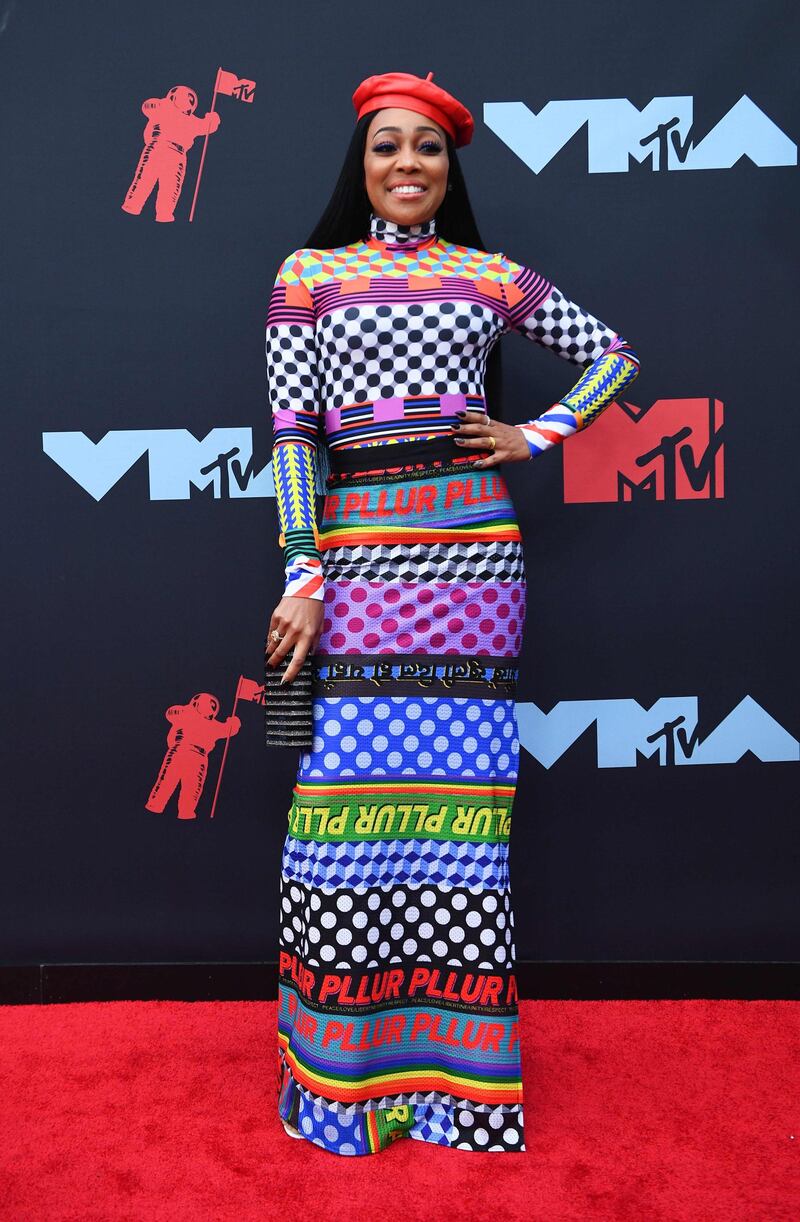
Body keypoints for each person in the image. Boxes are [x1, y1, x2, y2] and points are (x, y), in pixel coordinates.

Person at [264, 70, 640, 1156]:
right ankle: (348, 1084)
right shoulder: (310, 276)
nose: (407, 166)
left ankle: (452, 1090)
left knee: (460, 816)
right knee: (336, 811)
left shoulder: (486, 277)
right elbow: (295, 438)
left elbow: (611, 354)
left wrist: (538, 432)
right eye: (387, 147)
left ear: (450, 166)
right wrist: (303, 570)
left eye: (427, 149)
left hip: (474, 569)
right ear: (361, 162)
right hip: (358, 559)